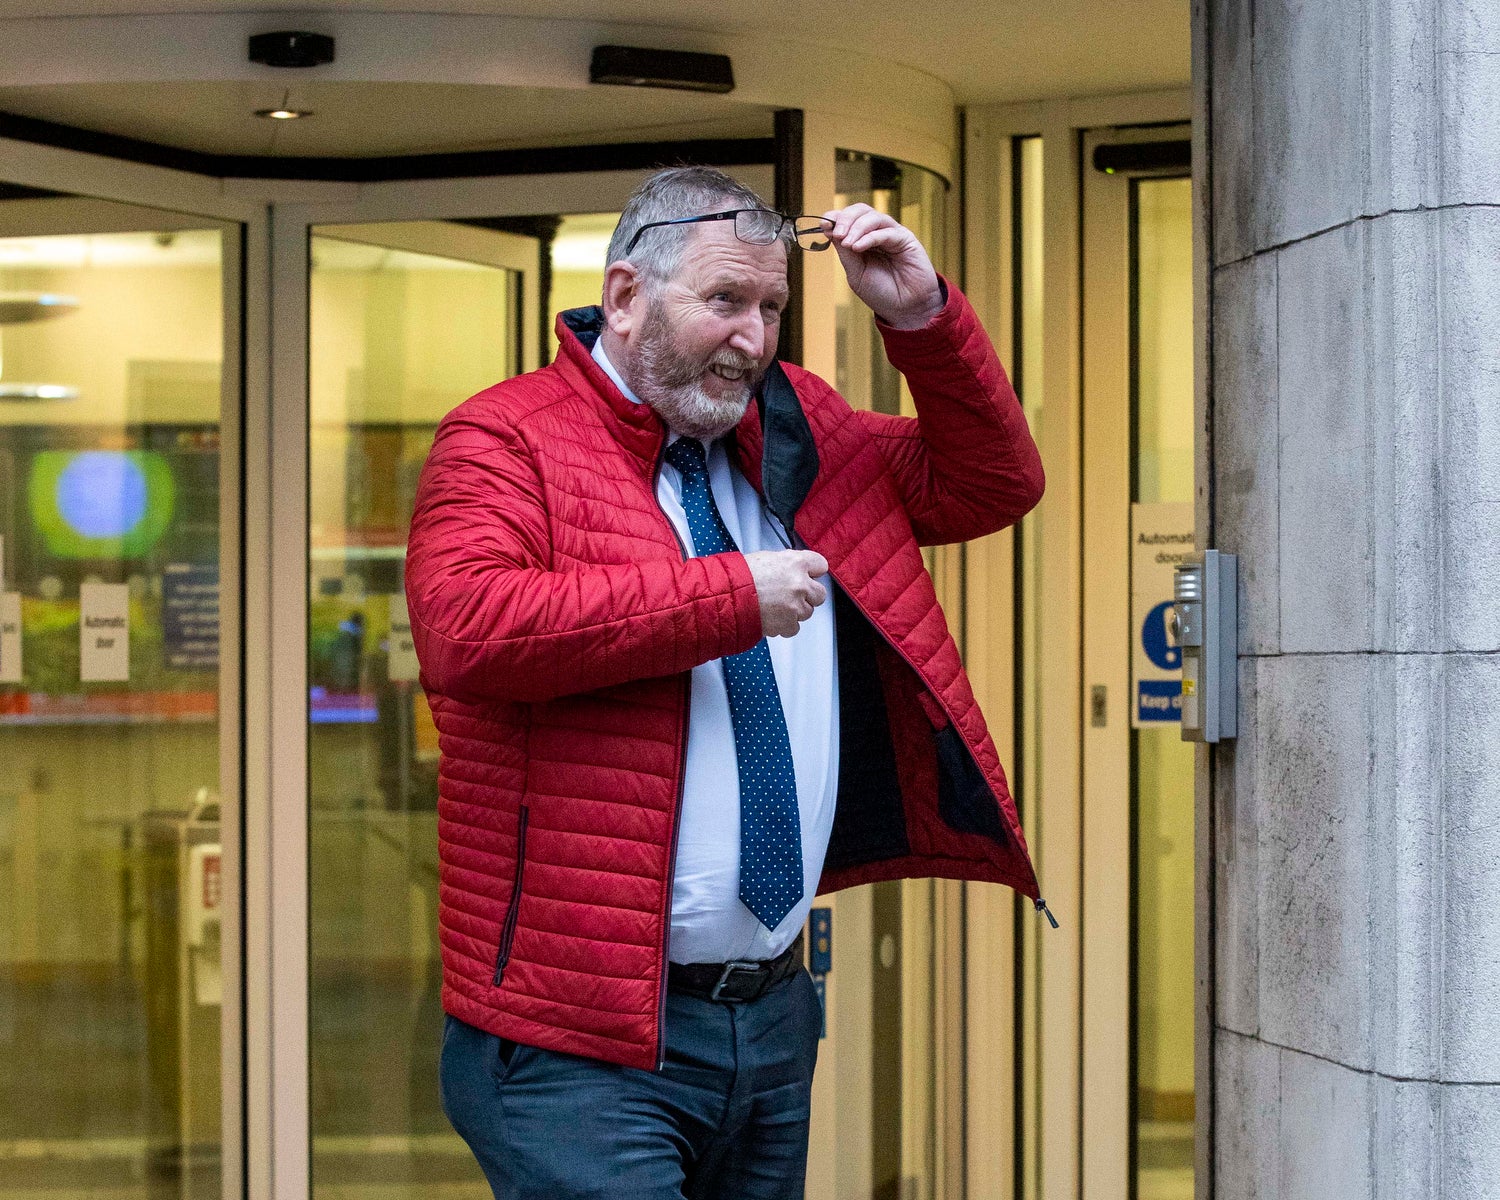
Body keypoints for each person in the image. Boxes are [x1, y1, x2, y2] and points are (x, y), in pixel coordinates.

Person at [406, 165, 1047, 1199]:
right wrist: (725, 599)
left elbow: (993, 483)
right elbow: (468, 628)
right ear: (625, 298)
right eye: (723, 301)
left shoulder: (801, 430)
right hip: (580, 1044)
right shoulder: (506, 436)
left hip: (772, 1015)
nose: (752, 337)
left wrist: (925, 319)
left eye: (772, 307)